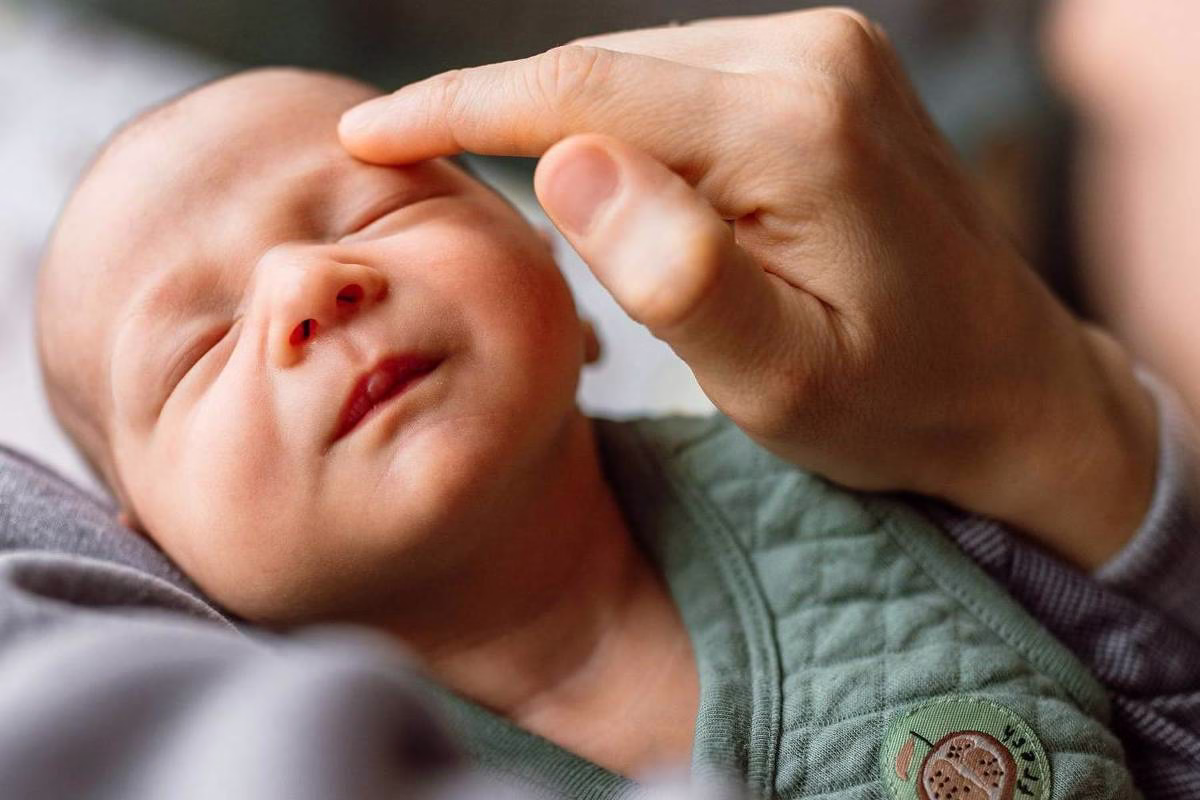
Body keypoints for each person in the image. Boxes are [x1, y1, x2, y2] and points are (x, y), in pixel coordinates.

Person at [9, 8, 1196, 800]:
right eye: (201, 348)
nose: (309, 287)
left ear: (571, 288)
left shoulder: (878, 484)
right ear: (147, 552)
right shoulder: (264, 746)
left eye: (369, 215)